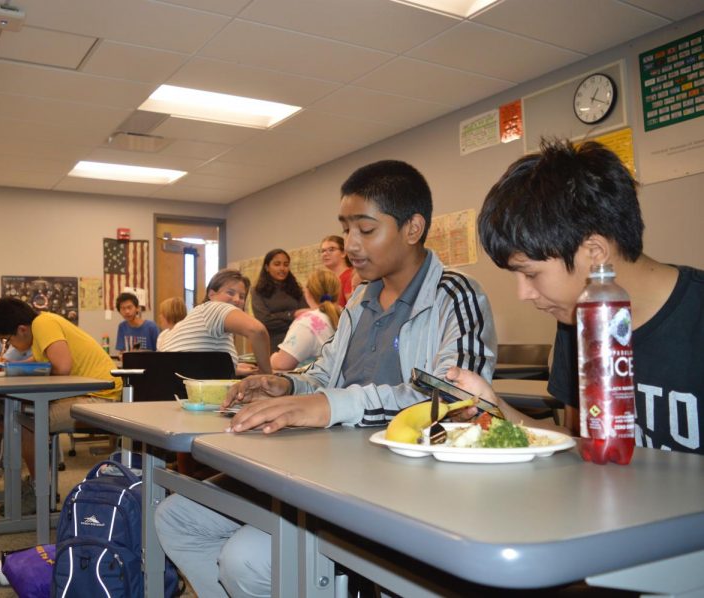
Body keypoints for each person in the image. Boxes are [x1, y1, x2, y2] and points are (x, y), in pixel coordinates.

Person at [155, 160, 497, 597]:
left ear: (413, 228)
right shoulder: (358, 301)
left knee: (246, 559)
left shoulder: (456, 295)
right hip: (324, 466)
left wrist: (331, 405)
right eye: (346, 228)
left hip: (399, 483)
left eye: (366, 230)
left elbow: (454, 403)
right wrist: (289, 385)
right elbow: (324, 375)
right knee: (176, 517)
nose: (351, 244)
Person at [446, 138, 703, 455]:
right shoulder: (578, 321)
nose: (523, 294)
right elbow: (578, 442)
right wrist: (494, 407)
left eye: (530, 273)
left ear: (594, 253)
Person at [0, 297, 122, 513]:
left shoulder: (43, 324)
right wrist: (11, 365)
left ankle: (39, 490)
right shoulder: (42, 325)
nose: (9, 345)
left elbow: (62, 366)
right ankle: (37, 485)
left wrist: (17, 368)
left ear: (21, 329)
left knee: (26, 421)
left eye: (7, 339)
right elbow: (42, 360)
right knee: (20, 412)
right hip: (91, 394)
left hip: (101, 398)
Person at [157, 269, 272, 377]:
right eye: (230, 293)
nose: (237, 299)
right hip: (183, 390)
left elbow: (194, 360)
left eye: (242, 296)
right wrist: (267, 376)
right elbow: (258, 331)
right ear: (212, 295)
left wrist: (233, 368)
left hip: (167, 385)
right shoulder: (214, 308)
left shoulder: (198, 317)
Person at [270, 269, 341, 371]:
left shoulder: (308, 321)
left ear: (308, 292)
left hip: (315, 385)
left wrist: (272, 358)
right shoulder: (346, 315)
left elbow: (282, 364)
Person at [251, 248, 308, 352]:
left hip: (297, 343)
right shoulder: (257, 291)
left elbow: (305, 317)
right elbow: (265, 321)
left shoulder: (296, 289)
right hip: (272, 345)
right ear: (267, 267)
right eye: (277, 264)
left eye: (286, 265)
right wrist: (292, 315)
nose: (282, 268)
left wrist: (277, 316)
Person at [320, 234, 355, 307]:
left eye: (331, 249)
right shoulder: (328, 281)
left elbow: (353, 310)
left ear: (343, 253)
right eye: (323, 251)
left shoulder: (351, 276)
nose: (325, 254)